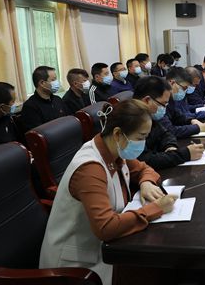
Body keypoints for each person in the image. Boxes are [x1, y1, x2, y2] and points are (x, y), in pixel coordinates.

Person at [38, 99, 177, 285]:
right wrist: (156, 208)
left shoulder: (114, 149)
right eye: (140, 137)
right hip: (76, 268)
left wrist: (146, 182)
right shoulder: (90, 168)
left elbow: (145, 169)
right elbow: (106, 228)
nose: (143, 144)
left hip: (108, 249)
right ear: (118, 133)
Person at [133, 76, 205, 169]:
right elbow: (145, 160)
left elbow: (166, 134)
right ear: (147, 100)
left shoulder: (148, 115)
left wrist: (170, 147)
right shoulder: (131, 119)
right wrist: (185, 154)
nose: (164, 108)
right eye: (163, 104)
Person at [161, 67, 205, 139]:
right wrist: (199, 128)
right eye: (184, 88)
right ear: (172, 83)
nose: (185, 91)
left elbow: (178, 117)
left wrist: (191, 120)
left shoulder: (171, 97)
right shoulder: (159, 98)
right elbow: (169, 130)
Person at [20, 66, 67, 132]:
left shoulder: (57, 99)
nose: (57, 82)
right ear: (42, 83)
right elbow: (37, 134)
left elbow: (68, 120)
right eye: (53, 80)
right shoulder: (30, 107)